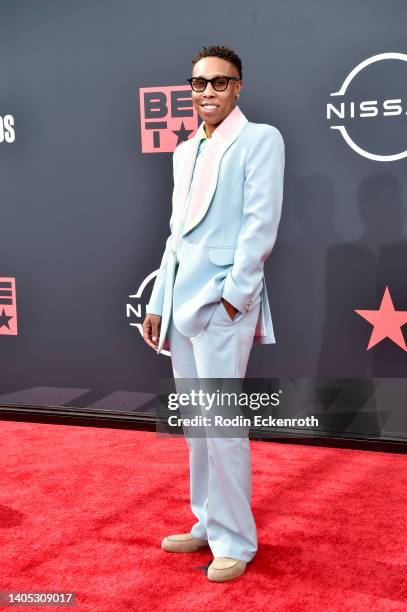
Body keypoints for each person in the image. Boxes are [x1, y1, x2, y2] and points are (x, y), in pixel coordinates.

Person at [142, 45, 285, 582]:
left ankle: (236, 540)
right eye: (199, 83)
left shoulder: (260, 139)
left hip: (224, 306)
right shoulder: (185, 150)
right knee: (199, 426)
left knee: (222, 425)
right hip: (181, 305)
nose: (207, 92)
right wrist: (159, 299)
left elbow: (260, 226)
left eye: (219, 83)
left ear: (238, 87)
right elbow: (176, 235)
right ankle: (207, 521)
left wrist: (234, 297)